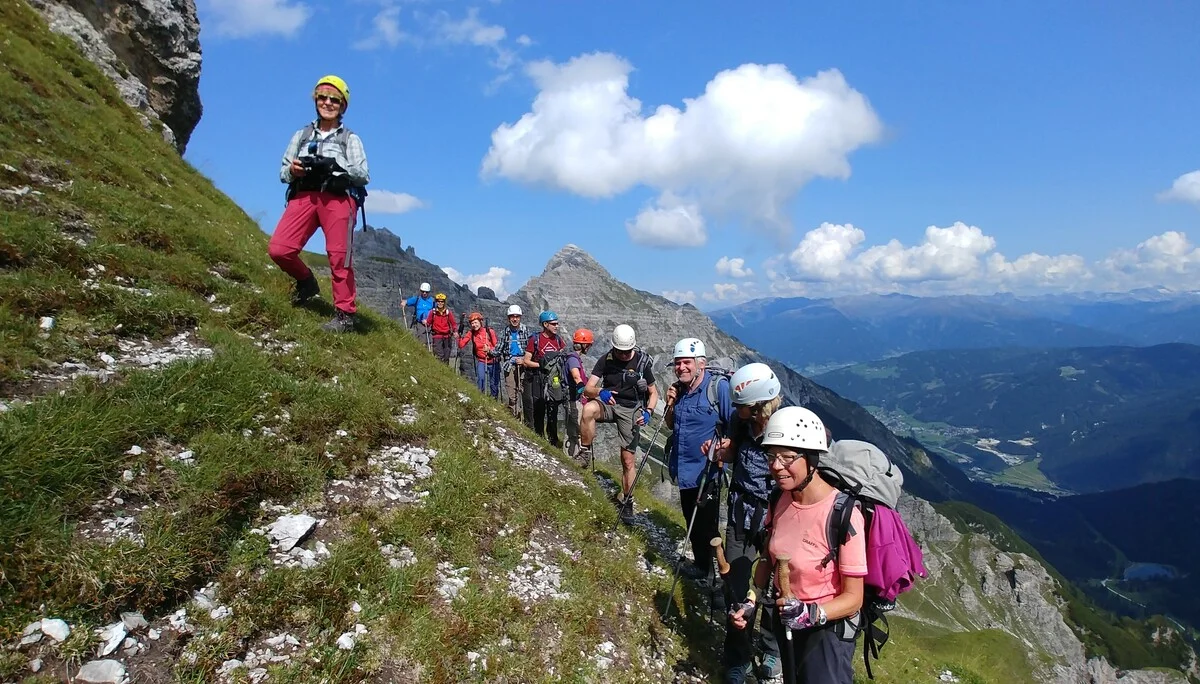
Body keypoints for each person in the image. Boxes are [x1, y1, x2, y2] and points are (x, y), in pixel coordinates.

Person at [730, 406, 866, 684]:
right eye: (771, 456)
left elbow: (854, 598)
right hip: (786, 620)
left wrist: (812, 614)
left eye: (787, 457)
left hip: (826, 633)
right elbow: (769, 558)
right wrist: (751, 601)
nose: (776, 465)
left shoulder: (842, 513)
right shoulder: (780, 498)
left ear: (812, 459)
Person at [268, 75, 369, 334]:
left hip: (338, 198)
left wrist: (335, 167)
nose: (327, 103)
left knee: (339, 257)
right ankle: (306, 281)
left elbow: (363, 173)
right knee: (280, 249)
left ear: (343, 105)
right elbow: (282, 172)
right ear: (315, 101)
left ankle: (345, 315)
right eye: (322, 97)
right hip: (304, 195)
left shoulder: (350, 139)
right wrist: (294, 170)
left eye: (334, 99)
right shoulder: (301, 135)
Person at [708, 362, 785, 683]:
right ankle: (737, 657)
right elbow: (733, 452)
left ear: (757, 407)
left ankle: (771, 649)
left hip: (774, 516)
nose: (735, 409)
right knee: (738, 585)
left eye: (741, 405)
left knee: (773, 585)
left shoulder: (784, 427)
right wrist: (722, 453)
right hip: (741, 510)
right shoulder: (741, 425)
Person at [664, 338, 733, 586]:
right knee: (690, 519)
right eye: (678, 363)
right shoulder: (680, 389)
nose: (681, 367)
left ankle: (721, 576)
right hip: (684, 469)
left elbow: (734, 424)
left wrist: (723, 448)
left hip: (708, 472)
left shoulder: (719, 388)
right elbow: (671, 425)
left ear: (701, 364)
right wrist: (670, 403)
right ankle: (702, 566)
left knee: (709, 526)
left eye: (687, 362)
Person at [580, 324, 658, 521]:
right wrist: (601, 392)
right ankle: (585, 452)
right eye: (620, 352)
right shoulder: (606, 359)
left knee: (627, 460)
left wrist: (648, 411)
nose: (624, 355)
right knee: (588, 409)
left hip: (631, 409)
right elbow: (588, 389)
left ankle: (627, 500)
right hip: (608, 403)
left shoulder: (642, 362)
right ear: (614, 348)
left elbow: (653, 392)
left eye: (627, 352)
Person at [522, 311, 568, 447]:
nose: (557, 326)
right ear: (545, 324)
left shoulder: (559, 340)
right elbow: (526, 361)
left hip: (554, 378)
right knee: (539, 406)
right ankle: (539, 435)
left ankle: (553, 439)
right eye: (554, 324)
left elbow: (563, 356)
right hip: (538, 376)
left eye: (557, 323)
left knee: (553, 407)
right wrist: (542, 366)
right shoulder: (535, 340)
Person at [565, 328, 594, 462]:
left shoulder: (574, 358)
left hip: (575, 399)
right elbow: (576, 376)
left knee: (576, 429)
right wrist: (583, 388)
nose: (589, 347)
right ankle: (571, 458)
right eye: (589, 344)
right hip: (573, 400)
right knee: (575, 430)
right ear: (583, 345)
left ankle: (573, 457)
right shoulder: (573, 359)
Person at [496, 305, 529, 421]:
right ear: (508, 318)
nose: (515, 319)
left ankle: (525, 418)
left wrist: (524, 359)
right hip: (509, 365)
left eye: (517, 317)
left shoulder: (526, 330)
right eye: (512, 317)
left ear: (520, 317)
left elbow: (531, 349)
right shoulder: (504, 332)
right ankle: (514, 416)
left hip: (524, 365)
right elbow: (498, 349)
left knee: (524, 392)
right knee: (512, 392)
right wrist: (488, 351)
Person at [459, 312, 500, 398]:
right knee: (481, 379)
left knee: (493, 383)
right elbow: (461, 344)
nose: (474, 325)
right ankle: (481, 397)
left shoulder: (489, 331)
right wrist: (458, 336)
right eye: (472, 323)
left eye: (476, 322)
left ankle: (494, 399)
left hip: (493, 360)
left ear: (480, 322)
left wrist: (489, 349)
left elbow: (497, 347)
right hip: (482, 360)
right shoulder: (471, 333)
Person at [423, 293, 456, 365]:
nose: (440, 303)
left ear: (444, 302)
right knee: (439, 356)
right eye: (438, 301)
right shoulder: (433, 312)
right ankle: (440, 370)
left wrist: (455, 331)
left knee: (446, 356)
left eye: (442, 301)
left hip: (447, 337)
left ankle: (446, 372)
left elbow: (453, 323)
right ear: (436, 302)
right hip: (437, 336)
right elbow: (428, 323)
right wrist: (425, 322)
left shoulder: (448, 313)